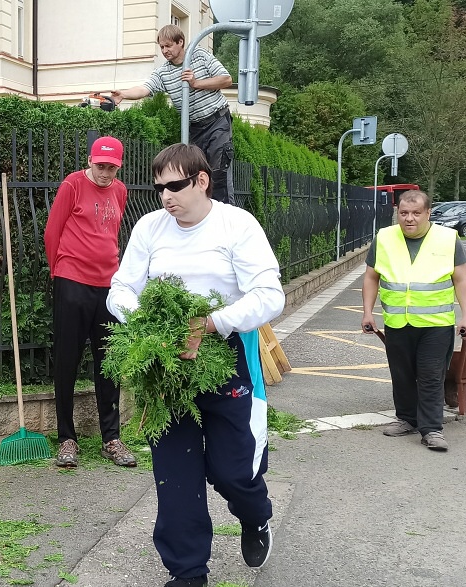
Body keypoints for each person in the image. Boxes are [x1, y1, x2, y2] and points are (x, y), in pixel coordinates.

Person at [106, 143, 284, 587]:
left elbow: (269, 296)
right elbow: (120, 289)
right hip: (166, 369)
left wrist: (211, 323)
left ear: (201, 181)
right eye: (159, 188)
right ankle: (187, 574)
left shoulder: (237, 225)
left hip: (225, 359)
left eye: (175, 186)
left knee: (232, 472)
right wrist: (151, 326)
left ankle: (255, 515)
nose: (165, 197)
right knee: (176, 478)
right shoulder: (150, 228)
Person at [43, 136, 137, 469]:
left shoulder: (120, 190)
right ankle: (66, 438)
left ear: (118, 167)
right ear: (90, 161)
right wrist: (59, 273)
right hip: (72, 279)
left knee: (108, 362)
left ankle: (111, 438)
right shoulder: (72, 185)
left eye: (111, 167)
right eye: (100, 166)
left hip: (108, 285)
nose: (105, 173)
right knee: (67, 359)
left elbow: (112, 232)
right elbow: (52, 231)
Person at [361, 189, 466, 452]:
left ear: (428, 213)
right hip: (397, 322)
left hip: (436, 324)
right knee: (402, 375)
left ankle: (432, 429)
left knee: (431, 376)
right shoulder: (384, 238)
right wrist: (367, 312)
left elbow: (461, 280)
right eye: (403, 213)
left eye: (415, 213)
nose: (409, 218)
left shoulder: (448, 239)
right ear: (397, 213)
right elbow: (371, 277)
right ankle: (407, 419)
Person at [110, 24, 235, 205]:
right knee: (195, 173)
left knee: (218, 171)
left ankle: (226, 215)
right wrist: (123, 94)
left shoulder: (199, 55)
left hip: (217, 121)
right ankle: (199, 212)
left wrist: (196, 83)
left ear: (180, 42)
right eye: (161, 47)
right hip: (194, 127)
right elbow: (145, 88)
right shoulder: (164, 72)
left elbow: (226, 79)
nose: (164, 51)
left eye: (168, 46)